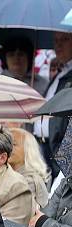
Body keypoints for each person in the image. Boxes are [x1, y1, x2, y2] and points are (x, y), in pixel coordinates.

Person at [35, 32, 72, 180]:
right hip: (43, 146)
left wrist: (60, 153)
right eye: (56, 40)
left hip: (57, 149)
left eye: (65, 39)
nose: (58, 45)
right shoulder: (60, 73)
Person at [8, 128, 50, 208]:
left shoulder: (30, 180)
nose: (8, 148)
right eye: (6, 144)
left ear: (27, 150)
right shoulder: (7, 174)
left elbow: (15, 213)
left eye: (14, 144)